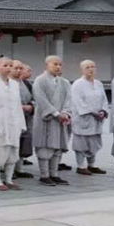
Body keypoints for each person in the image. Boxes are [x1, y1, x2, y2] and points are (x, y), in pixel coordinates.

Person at [0, 57, 26, 190]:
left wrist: (21, 124)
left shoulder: (14, 84)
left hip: (13, 123)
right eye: (5, 65)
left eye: (10, 65)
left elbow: (18, 105)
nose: (8, 68)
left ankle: (9, 179)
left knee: (12, 153)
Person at [33, 56, 72, 186]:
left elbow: (68, 99)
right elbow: (41, 99)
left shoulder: (64, 82)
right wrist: (55, 113)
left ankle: (54, 174)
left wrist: (65, 112)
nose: (58, 67)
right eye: (55, 64)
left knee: (57, 147)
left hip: (60, 120)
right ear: (47, 65)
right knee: (45, 147)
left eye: (60, 64)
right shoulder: (40, 81)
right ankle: (44, 175)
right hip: (46, 119)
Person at [71, 60, 108, 175]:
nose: (91, 69)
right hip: (83, 118)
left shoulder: (98, 83)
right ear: (82, 70)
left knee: (94, 142)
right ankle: (80, 166)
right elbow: (78, 102)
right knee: (81, 143)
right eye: (87, 67)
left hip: (97, 120)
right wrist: (92, 112)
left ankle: (92, 165)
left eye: (93, 67)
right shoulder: (77, 84)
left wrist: (103, 111)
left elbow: (104, 99)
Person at [11, 60, 35, 178]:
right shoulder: (6, 83)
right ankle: (8, 169)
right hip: (11, 119)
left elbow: (34, 98)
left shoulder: (26, 84)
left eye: (21, 68)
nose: (19, 71)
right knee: (12, 144)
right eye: (16, 68)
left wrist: (31, 106)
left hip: (26, 118)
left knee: (23, 142)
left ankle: (19, 168)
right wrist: (19, 107)